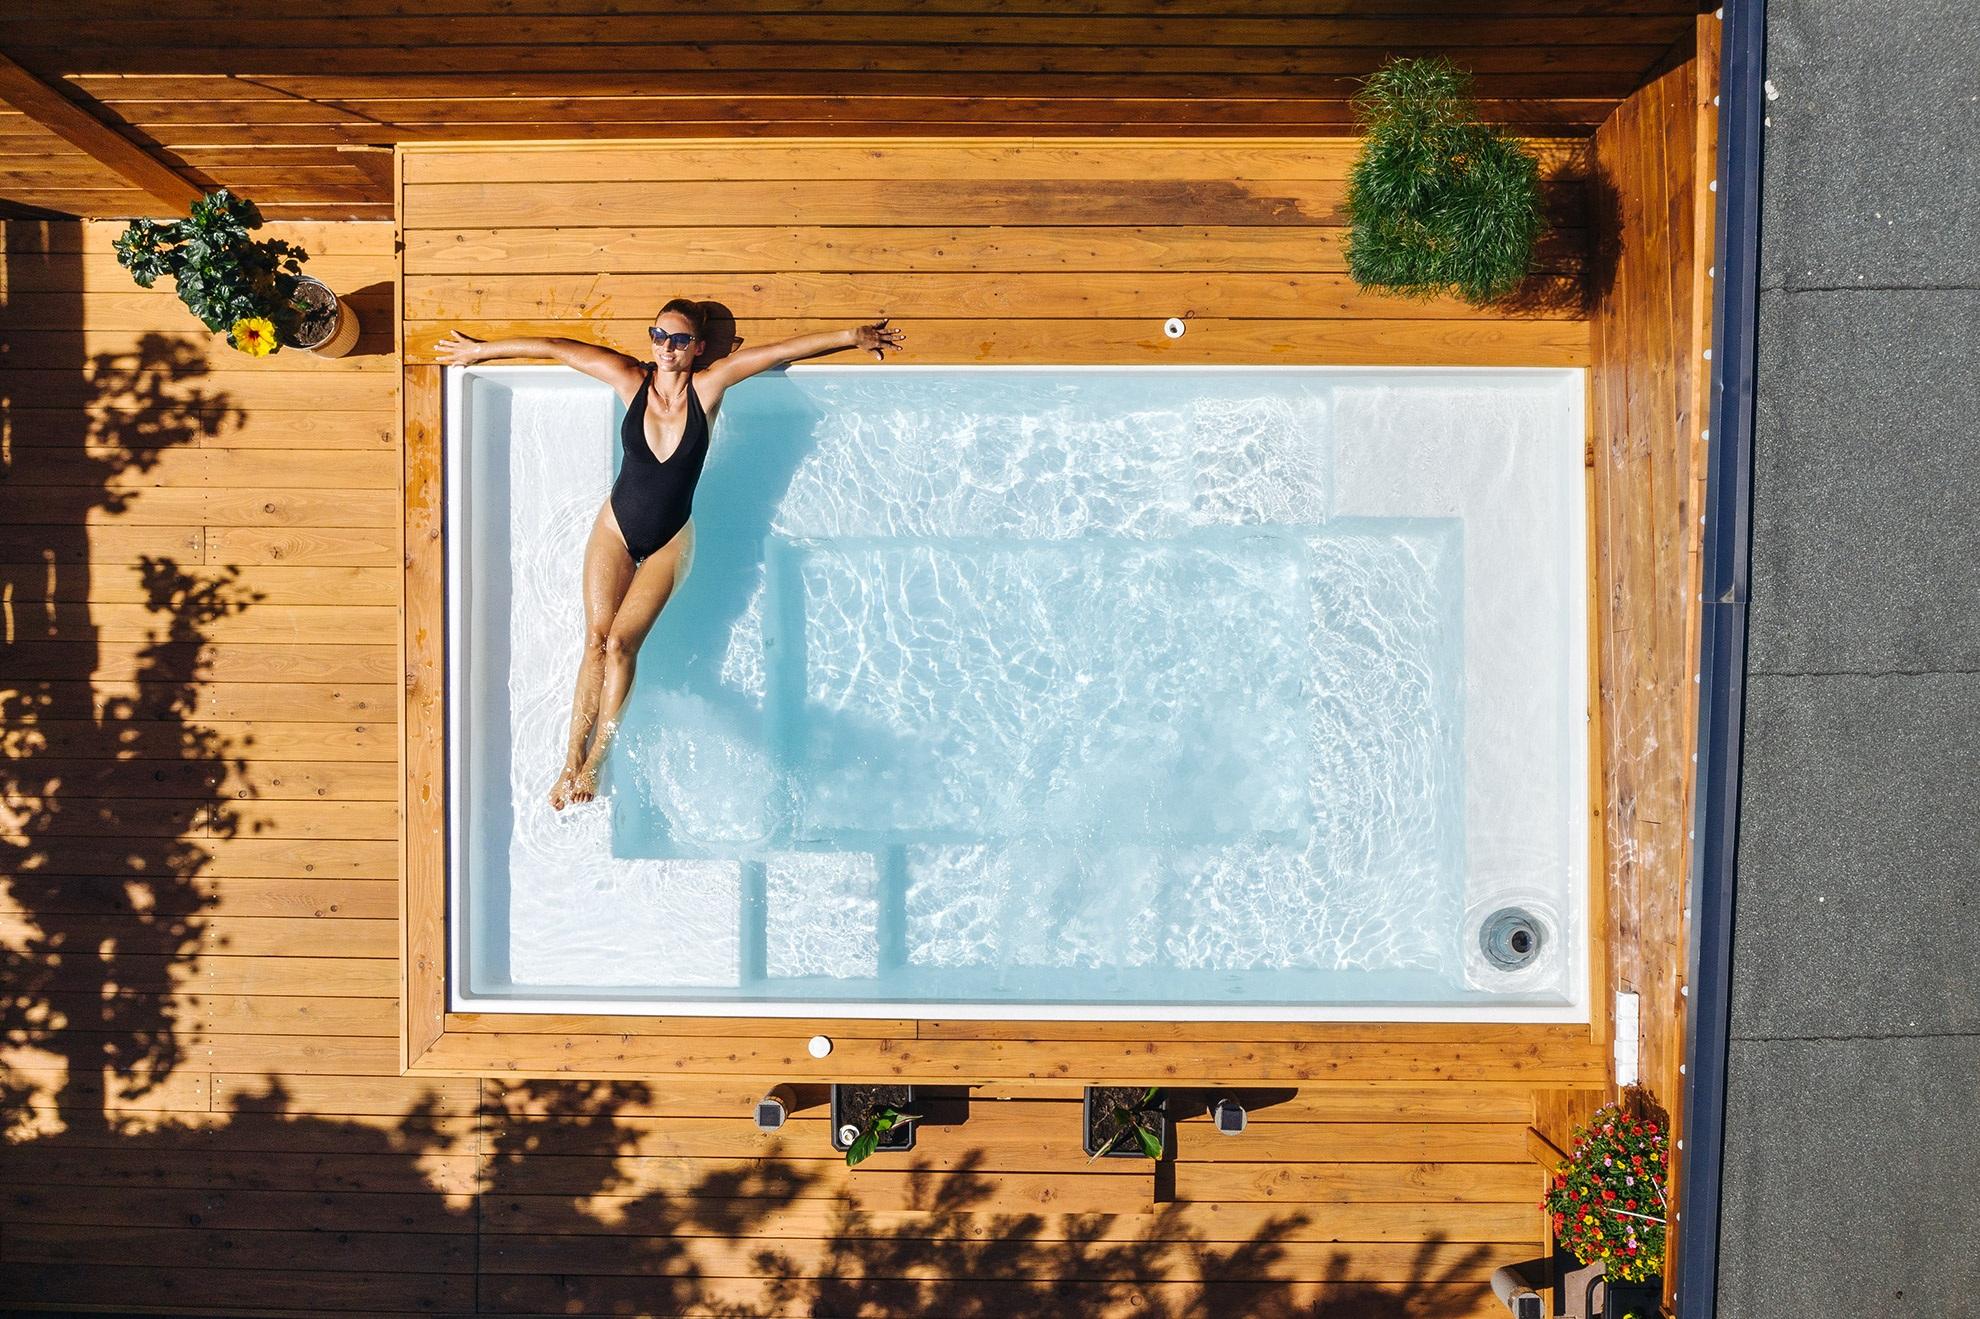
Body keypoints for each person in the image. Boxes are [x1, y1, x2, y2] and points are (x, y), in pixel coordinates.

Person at [436, 302, 906, 809]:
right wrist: (481, 351)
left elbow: (778, 353)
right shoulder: (628, 379)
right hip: (615, 528)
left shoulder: (708, 388)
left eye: (680, 340)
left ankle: (598, 761)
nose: (666, 347)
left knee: (620, 645)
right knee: (594, 641)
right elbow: (556, 349)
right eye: (659, 335)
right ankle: (569, 761)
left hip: (669, 540)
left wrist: (849, 334)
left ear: (698, 347)